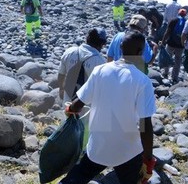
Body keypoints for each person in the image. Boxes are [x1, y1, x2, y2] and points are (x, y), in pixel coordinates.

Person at [59, 31, 156, 184]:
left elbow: (78, 104)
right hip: (127, 151)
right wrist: (148, 159)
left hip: (98, 146)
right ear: (140, 52)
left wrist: (69, 110)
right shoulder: (143, 81)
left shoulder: (100, 70)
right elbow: (145, 124)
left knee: (77, 177)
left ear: (121, 47)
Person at [57, 28, 107, 103]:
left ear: (87, 38)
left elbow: (61, 74)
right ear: (102, 44)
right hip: (87, 105)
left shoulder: (69, 52)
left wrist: (61, 89)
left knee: (68, 114)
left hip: (68, 101)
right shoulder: (100, 62)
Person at [160, 8, 187, 83]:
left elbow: (167, 32)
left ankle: (165, 73)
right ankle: (175, 77)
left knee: (168, 57)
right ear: (185, 15)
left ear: (178, 13)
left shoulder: (173, 20)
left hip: (171, 43)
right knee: (178, 60)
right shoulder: (186, 22)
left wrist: (163, 41)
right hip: (181, 45)